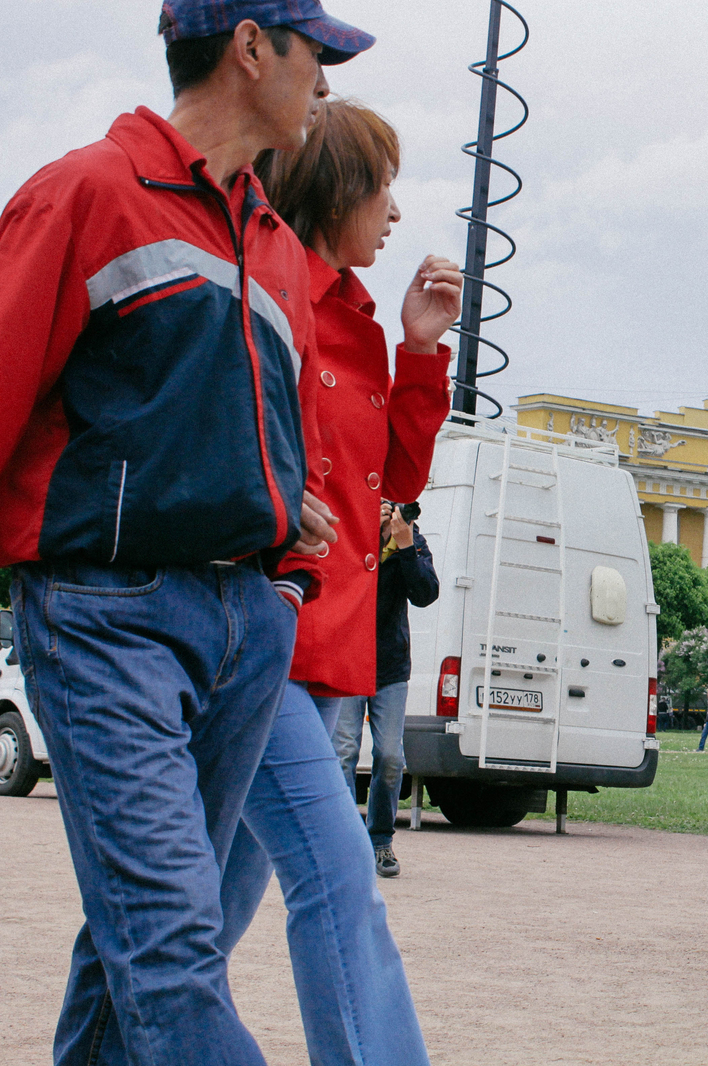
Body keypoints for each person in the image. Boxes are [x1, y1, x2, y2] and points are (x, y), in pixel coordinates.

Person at [0, 4, 364, 1061]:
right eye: (317, 55)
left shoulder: (279, 254)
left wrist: (281, 539)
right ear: (250, 47)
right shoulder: (83, 193)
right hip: (106, 616)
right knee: (170, 945)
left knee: (138, 944)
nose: (328, 83)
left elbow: (269, 442)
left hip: (244, 623)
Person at [216, 95, 459, 1064]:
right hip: (269, 643)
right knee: (338, 878)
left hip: (327, 653)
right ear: (336, 189)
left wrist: (422, 348)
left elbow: (395, 480)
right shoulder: (269, 300)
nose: (397, 212)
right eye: (384, 185)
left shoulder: (352, 314)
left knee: (198, 913)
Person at [332, 499, 441, 876]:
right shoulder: (351, 536)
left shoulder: (410, 541)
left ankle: (381, 842)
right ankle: (346, 844)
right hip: (346, 660)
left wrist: (405, 545)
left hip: (390, 666)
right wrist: (367, 536)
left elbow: (426, 594)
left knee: (391, 757)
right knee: (343, 751)